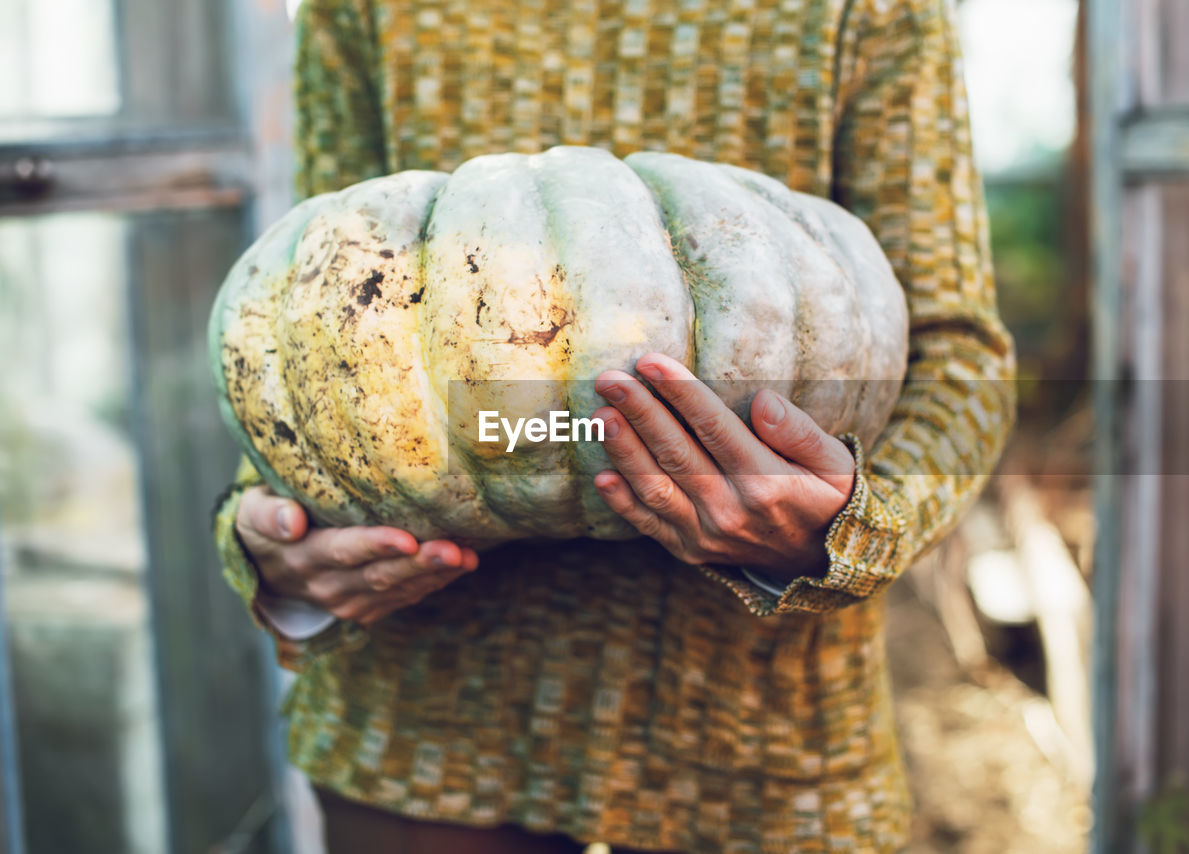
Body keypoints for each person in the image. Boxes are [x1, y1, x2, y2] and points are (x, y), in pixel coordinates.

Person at [214, 0, 1016, 850]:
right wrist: (279, 536)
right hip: (419, 749)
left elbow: (955, 351)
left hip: (758, 750)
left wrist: (848, 532)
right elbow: (309, 322)